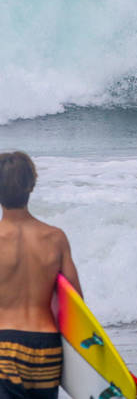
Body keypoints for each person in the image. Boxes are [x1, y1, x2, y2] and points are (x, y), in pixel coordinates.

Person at [0, 151, 80, 399]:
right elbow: (76, 300)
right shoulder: (55, 237)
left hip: (4, 346)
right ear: (31, 185)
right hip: (47, 347)